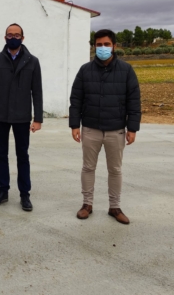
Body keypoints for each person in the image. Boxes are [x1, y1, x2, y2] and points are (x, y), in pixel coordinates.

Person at [69, 29, 141, 224]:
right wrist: (75, 125)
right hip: (90, 128)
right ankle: (87, 204)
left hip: (116, 130)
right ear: (94, 47)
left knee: (115, 169)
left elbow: (134, 101)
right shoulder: (85, 70)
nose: (102, 48)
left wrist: (132, 128)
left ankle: (115, 207)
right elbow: (76, 99)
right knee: (88, 167)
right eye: (99, 45)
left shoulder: (126, 70)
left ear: (114, 46)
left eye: (106, 44)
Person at [0, 23, 43, 212]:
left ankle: (25, 195)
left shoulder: (32, 61)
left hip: (22, 116)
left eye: (17, 35)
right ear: (4, 38)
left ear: (23, 38)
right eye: (9, 35)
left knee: (22, 156)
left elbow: (37, 92)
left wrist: (38, 118)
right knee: (1, 155)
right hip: (0, 116)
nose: (13, 37)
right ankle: (3, 191)